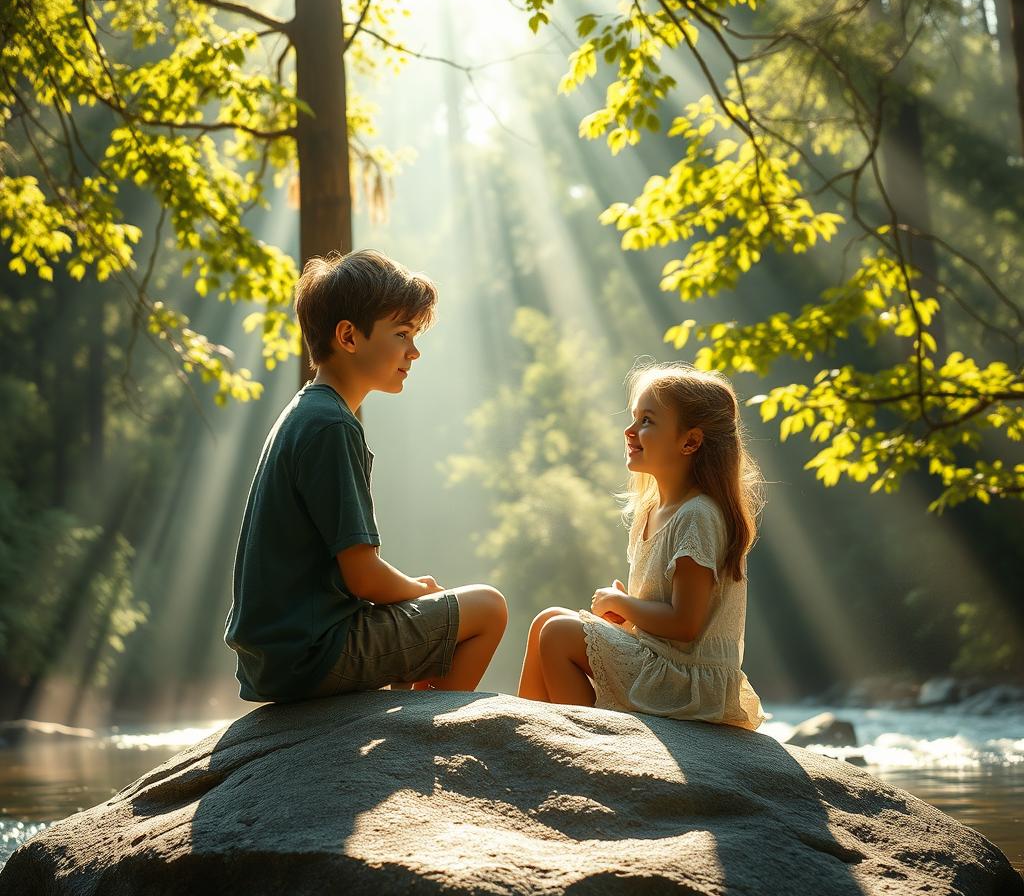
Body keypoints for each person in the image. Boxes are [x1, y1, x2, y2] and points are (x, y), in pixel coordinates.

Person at [224, 249, 507, 703]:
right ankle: (420, 739)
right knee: (488, 608)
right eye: (401, 334)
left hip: (274, 659)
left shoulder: (306, 412)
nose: (414, 351)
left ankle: (404, 722)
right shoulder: (332, 425)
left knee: (430, 609)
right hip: (314, 654)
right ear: (348, 337)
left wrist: (411, 597)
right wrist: (420, 589)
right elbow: (364, 577)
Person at [517, 361, 765, 730]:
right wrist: (630, 609)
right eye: (634, 418)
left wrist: (622, 604)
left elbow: (685, 624)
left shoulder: (697, 515)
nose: (629, 431)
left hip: (685, 679)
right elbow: (660, 610)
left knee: (558, 635)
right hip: (661, 658)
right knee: (546, 621)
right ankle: (524, 735)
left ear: (690, 441)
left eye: (647, 421)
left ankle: (592, 744)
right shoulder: (652, 510)